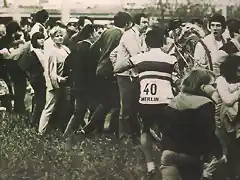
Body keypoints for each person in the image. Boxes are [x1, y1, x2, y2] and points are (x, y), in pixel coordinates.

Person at [114, 28, 177, 178]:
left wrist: (136, 71)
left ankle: (150, 165)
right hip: (166, 101)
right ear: (162, 43)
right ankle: (167, 162)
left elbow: (117, 68)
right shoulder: (171, 59)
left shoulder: (140, 58)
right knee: (168, 132)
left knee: (145, 131)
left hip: (146, 100)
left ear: (146, 43)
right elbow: (178, 78)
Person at [160, 69, 222, 180]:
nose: (216, 88)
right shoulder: (206, 104)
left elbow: (164, 126)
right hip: (191, 154)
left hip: (168, 152)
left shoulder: (174, 100)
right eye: (213, 84)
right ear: (203, 87)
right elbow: (207, 132)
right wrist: (217, 152)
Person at [82, 12, 133, 135]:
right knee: (113, 103)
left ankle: (96, 129)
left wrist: (101, 58)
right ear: (127, 23)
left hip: (100, 69)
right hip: (111, 70)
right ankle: (97, 129)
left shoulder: (107, 31)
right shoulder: (123, 35)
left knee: (105, 101)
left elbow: (93, 48)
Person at [112, 13, 149, 139]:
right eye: (144, 22)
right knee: (126, 106)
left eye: (147, 22)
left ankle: (133, 133)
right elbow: (137, 54)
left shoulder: (140, 36)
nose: (147, 24)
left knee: (134, 105)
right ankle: (124, 135)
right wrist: (118, 68)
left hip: (133, 74)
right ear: (136, 23)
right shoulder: (129, 36)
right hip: (125, 75)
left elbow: (113, 53)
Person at [63, 24, 97, 136]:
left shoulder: (77, 46)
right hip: (85, 85)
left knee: (80, 110)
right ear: (91, 34)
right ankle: (68, 134)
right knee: (81, 111)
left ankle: (77, 131)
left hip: (77, 83)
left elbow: (67, 62)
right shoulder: (89, 48)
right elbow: (92, 68)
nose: (97, 35)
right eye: (96, 33)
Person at [38, 27, 70, 135]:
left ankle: (64, 129)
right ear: (52, 38)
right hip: (55, 83)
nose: (60, 38)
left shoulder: (65, 49)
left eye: (61, 36)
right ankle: (41, 132)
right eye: (57, 36)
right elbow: (50, 71)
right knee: (49, 107)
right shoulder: (52, 52)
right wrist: (60, 79)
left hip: (66, 82)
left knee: (68, 106)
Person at [18, 32, 46, 127]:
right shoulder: (32, 53)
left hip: (40, 79)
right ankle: (33, 122)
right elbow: (24, 67)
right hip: (37, 80)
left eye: (42, 38)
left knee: (38, 100)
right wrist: (30, 78)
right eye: (39, 38)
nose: (42, 40)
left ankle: (34, 121)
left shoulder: (41, 51)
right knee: (40, 101)